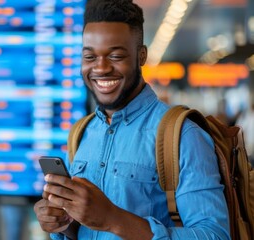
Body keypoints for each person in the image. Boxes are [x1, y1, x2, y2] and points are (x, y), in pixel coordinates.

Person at [33, 0, 230, 239]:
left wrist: (113, 219)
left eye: (115, 55)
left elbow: (215, 235)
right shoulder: (81, 134)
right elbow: (85, 230)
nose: (101, 68)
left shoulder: (182, 136)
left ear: (141, 55)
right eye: (90, 56)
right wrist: (63, 223)